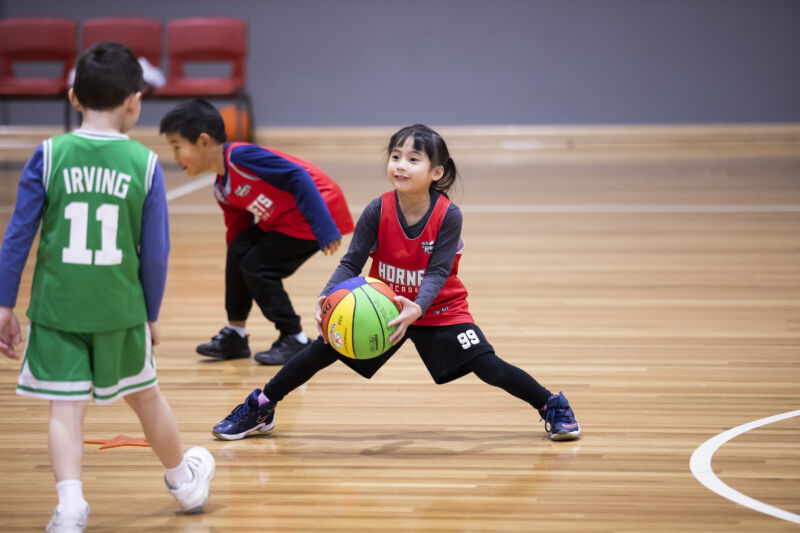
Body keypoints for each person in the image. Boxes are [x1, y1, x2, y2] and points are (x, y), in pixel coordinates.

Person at [211, 124, 581, 442]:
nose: (401, 165)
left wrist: (418, 306)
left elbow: (438, 272)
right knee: (319, 350)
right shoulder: (378, 209)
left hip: (438, 308)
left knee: (488, 366)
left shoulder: (448, 215)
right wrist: (327, 296)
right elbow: (352, 261)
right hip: (384, 306)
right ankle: (262, 407)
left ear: (436, 171)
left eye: (413, 159)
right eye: (395, 156)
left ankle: (551, 403)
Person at [0, 43, 214, 532]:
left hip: (57, 309)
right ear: (135, 101)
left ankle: (70, 505)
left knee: (65, 409)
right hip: (120, 309)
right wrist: (151, 313)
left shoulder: (49, 154)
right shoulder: (144, 163)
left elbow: (18, 234)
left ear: (74, 97)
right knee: (146, 397)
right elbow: (155, 252)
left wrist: (3, 303)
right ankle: (183, 483)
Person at [159, 99, 354, 365]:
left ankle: (294, 337)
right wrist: (235, 263)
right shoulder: (222, 187)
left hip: (317, 210)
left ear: (204, 141)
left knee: (256, 265)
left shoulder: (240, 157)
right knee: (240, 254)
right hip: (285, 219)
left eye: (177, 147)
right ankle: (236, 334)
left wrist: (323, 226)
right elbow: (237, 232)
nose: (174, 157)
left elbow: (297, 176)